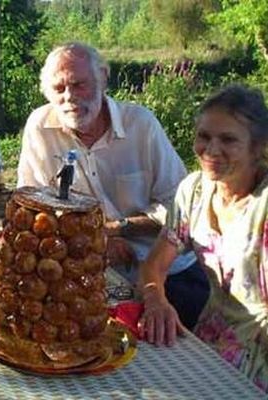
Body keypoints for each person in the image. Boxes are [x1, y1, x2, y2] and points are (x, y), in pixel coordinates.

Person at [17, 42, 209, 329]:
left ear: (103, 78)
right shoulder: (40, 127)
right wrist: (96, 239)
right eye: (59, 89)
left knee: (172, 359)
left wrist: (119, 227)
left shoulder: (141, 125)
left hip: (166, 274)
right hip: (82, 271)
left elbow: (181, 211)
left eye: (79, 84)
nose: (69, 97)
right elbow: (33, 207)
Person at [138, 84, 268, 392]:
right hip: (208, 336)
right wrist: (156, 299)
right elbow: (154, 265)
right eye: (204, 136)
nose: (210, 149)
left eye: (228, 139)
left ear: (259, 147)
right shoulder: (194, 191)